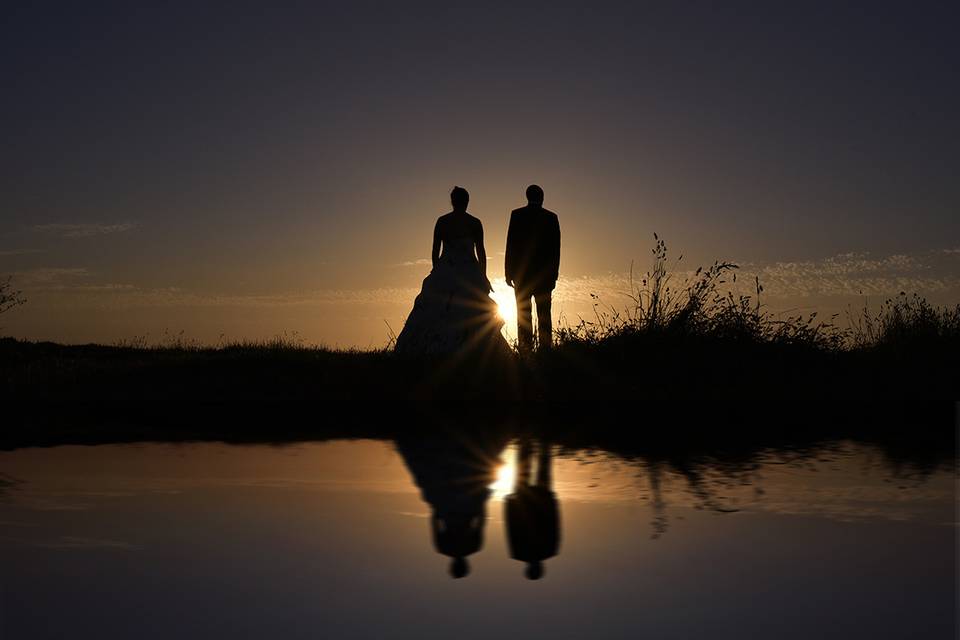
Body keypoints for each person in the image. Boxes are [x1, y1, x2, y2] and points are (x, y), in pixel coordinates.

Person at [395, 186, 510, 355]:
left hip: (447, 269)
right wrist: (482, 275)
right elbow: (481, 252)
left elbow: (435, 251)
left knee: (438, 309)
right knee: (472, 309)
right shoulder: (474, 222)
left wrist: (438, 271)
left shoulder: (443, 221)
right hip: (468, 271)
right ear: (467, 201)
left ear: (452, 201)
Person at [396, 429, 510, 579]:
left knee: (482, 471)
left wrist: (480, 502)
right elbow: (435, 522)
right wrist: (438, 507)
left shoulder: (472, 547)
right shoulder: (444, 548)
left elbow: (481, 522)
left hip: (465, 508)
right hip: (450, 509)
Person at [505, 185, 561, 351]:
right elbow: (555, 250)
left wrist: (508, 272)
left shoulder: (517, 215)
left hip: (522, 275)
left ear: (527, 196)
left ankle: (525, 348)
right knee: (544, 314)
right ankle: (545, 349)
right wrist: (554, 275)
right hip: (544, 277)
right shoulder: (551, 218)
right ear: (542, 197)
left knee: (523, 314)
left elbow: (511, 246)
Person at [504, 438, 560, 580]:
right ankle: (526, 441)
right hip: (523, 505)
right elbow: (511, 528)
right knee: (524, 471)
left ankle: (542, 440)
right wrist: (509, 504)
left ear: (541, 568)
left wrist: (554, 503)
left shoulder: (550, 551)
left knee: (542, 467)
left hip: (540, 504)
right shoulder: (517, 553)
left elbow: (555, 526)